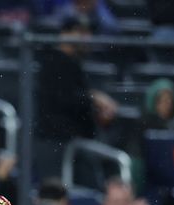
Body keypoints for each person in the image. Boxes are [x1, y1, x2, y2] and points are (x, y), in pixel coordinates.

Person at [34, 16, 117, 182]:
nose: (87, 38)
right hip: (58, 145)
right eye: (81, 32)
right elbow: (65, 99)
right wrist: (93, 98)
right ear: (65, 33)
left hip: (71, 145)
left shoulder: (71, 62)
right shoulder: (54, 61)